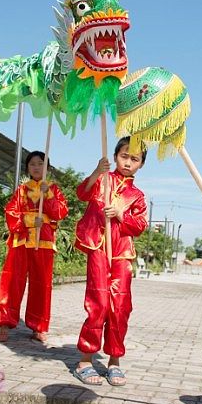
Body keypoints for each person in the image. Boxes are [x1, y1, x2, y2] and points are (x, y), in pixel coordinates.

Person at [73, 137, 148, 387]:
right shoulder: (103, 181)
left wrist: (120, 214)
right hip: (98, 246)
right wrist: (97, 171)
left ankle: (114, 361)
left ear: (141, 165)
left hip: (122, 253)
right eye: (124, 156)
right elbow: (81, 193)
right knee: (99, 302)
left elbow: (140, 226)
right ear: (115, 156)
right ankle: (85, 359)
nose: (128, 162)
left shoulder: (137, 196)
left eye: (134, 159)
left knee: (121, 307)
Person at [0, 151, 68, 343]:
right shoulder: (21, 190)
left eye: (41, 163)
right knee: (12, 282)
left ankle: (38, 327)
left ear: (47, 168)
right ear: (27, 168)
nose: (36, 167)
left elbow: (60, 212)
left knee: (41, 285)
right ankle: (4, 323)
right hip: (22, 241)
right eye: (32, 164)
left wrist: (48, 195)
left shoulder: (54, 189)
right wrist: (27, 221)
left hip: (43, 242)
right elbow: (11, 213)